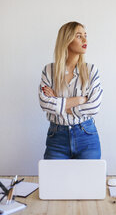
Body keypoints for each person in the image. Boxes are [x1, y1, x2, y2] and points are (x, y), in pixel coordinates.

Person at [38, 21, 103, 159]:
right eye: (79, 36)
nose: (85, 40)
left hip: (87, 136)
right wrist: (80, 100)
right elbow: (44, 103)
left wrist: (57, 101)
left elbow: (94, 106)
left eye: (85, 35)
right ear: (66, 40)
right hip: (56, 138)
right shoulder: (49, 70)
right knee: (53, 180)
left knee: (89, 180)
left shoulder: (91, 70)